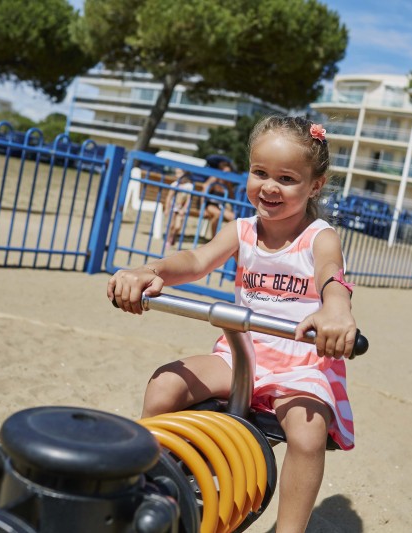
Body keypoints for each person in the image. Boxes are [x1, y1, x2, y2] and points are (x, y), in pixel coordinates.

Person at [108, 116, 356, 533]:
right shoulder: (241, 230)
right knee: (165, 384)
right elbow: (196, 260)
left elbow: (333, 274)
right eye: (260, 173)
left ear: (315, 185)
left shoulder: (318, 237)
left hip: (299, 361)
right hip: (241, 351)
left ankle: (290, 528)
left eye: (287, 178)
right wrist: (153, 271)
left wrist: (336, 309)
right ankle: (152, 487)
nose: (269, 186)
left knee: (308, 432)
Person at [163, 167, 195, 251]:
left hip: (181, 208)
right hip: (173, 207)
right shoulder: (175, 184)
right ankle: (168, 240)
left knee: (178, 226)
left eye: (179, 173)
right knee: (171, 225)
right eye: (176, 173)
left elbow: (188, 198)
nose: (177, 175)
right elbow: (169, 197)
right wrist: (167, 208)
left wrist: (185, 208)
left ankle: (173, 236)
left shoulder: (189, 186)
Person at [202, 160, 236, 233]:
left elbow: (232, 197)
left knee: (233, 217)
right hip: (210, 204)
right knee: (218, 214)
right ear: (220, 171)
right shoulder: (215, 179)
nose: (227, 175)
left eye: (229, 173)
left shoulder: (227, 183)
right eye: (225, 173)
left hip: (221, 206)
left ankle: (226, 238)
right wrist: (203, 208)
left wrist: (229, 187)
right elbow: (204, 188)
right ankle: (214, 238)